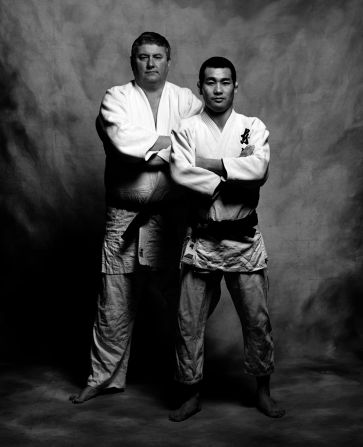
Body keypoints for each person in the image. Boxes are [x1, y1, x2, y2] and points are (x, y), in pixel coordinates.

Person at [70, 32, 202, 404]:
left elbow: (199, 143)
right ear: (133, 61)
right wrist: (171, 145)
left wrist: (155, 145)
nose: (150, 63)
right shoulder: (116, 97)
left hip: (172, 220)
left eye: (157, 56)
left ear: (168, 61)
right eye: (143, 56)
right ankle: (102, 378)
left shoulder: (187, 100)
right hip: (124, 218)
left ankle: (187, 382)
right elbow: (122, 142)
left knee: (184, 304)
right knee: (113, 303)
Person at [168, 57, 285, 421]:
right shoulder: (186, 129)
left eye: (225, 82)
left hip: (243, 239)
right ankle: (190, 393)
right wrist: (233, 169)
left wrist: (211, 163)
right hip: (202, 239)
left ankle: (262, 391)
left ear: (236, 86)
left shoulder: (252, 126)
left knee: (257, 321)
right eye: (210, 82)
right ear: (200, 86)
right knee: (188, 322)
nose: (218, 89)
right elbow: (180, 173)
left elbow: (259, 169)